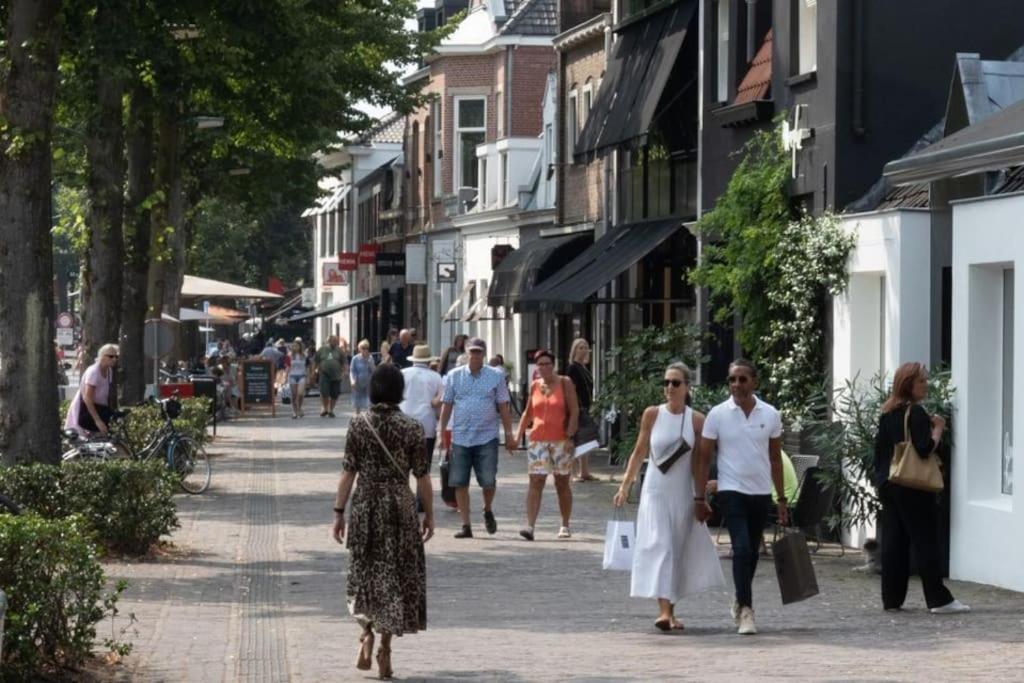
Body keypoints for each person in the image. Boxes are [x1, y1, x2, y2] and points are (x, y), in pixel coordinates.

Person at [331, 364, 434, 680]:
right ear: (399, 391)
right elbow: (423, 477)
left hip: (366, 506)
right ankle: (385, 648)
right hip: (400, 506)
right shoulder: (412, 427)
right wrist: (428, 513)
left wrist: (338, 512)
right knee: (395, 574)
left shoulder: (359, 425)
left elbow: (349, 471)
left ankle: (366, 630)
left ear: (374, 389)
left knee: (364, 571)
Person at [614, 362, 724, 631]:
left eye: (675, 383)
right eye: (666, 383)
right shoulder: (652, 415)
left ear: (687, 387)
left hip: (681, 493)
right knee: (660, 546)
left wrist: (701, 497)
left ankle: (671, 612)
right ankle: (663, 611)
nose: (669, 388)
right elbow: (639, 452)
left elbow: (700, 463)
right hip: (654, 491)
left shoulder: (697, 420)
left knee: (675, 550)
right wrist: (625, 485)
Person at [694, 358, 787, 636]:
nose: (736, 384)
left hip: (760, 493)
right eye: (732, 379)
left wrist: (781, 498)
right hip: (730, 490)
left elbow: (775, 459)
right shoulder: (718, 414)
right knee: (743, 549)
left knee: (753, 554)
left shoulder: (770, 414)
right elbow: (703, 458)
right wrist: (699, 497)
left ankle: (739, 598)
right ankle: (746, 611)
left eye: (742, 379)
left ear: (754, 382)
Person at [873, 362, 969, 614]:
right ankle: (938, 599)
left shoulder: (887, 412)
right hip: (912, 486)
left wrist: (881, 479)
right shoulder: (915, 413)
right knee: (925, 540)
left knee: (894, 541)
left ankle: (891, 599)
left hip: (889, 483)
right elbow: (924, 449)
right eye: (922, 382)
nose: (926, 385)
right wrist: (937, 428)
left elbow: (879, 453)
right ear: (909, 385)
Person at [437, 337, 515, 538]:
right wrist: (441, 431)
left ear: (484, 354)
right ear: (466, 352)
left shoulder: (495, 376)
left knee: (488, 480)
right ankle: (466, 525)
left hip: (487, 437)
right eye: (472, 351)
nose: (475, 355)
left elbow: (504, 407)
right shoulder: (454, 376)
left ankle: (487, 509)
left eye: (478, 352)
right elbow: (447, 405)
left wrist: (509, 434)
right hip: (461, 436)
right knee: (459, 482)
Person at [515, 349, 579, 540]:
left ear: (554, 365)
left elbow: (574, 411)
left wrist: (570, 437)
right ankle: (530, 527)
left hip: (561, 439)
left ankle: (565, 525)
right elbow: (528, 413)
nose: (543, 367)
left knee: (561, 483)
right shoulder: (535, 385)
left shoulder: (565, 383)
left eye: (547, 364)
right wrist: (516, 437)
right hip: (537, 440)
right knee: (535, 480)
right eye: (540, 364)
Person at [65, 343, 119, 436]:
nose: (114, 359)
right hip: (85, 412)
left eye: (116, 357)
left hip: (99, 410)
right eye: (110, 356)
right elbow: (87, 398)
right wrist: (98, 421)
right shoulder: (94, 372)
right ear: (102, 356)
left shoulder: (109, 371)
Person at [400, 345, 445, 458]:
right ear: (429, 360)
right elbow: (441, 400)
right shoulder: (436, 377)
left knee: (403, 462)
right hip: (427, 422)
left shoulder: (402, 373)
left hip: (404, 421)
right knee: (425, 463)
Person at [567, 338, 599, 482]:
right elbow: (571, 389)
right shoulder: (573, 367)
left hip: (586, 406)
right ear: (574, 350)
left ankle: (584, 471)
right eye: (580, 347)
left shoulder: (584, 367)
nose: (584, 350)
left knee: (585, 439)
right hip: (577, 408)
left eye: (585, 347)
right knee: (575, 439)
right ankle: (573, 473)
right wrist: (574, 408)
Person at [314, 335, 345, 417]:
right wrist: (313, 371)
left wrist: (344, 371)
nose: (336, 342)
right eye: (334, 341)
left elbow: (343, 361)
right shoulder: (322, 349)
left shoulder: (339, 350)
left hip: (336, 375)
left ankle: (331, 409)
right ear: (329, 341)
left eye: (336, 341)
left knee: (335, 393)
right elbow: (315, 360)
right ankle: (324, 408)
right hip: (324, 374)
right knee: (324, 392)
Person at [350, 340, 376, 416]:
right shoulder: (355, 359)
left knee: (369, 403)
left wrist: (369, 361)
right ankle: (356, 418)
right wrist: (352, 381)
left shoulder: (370, 358)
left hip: (368, 383)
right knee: (357, 404)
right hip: (357, 383)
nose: (365, 350)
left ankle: (369, 418)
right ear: (359, 349)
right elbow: (352, 371)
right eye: (363, 348)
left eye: (366, 348)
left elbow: (373, 370)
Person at [287, 341, 308, 419]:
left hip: (302, 375)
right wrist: (285, 377)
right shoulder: (289, 355)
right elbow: (287, 367)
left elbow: (307, 366)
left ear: (300, 347)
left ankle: (299, 408)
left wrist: (309, 376)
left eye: (297, 346)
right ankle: (294, 411)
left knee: (300, 393)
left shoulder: (304, 355)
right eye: (294, 346)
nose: (295, 347)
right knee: (294, 395)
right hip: (292, 376)